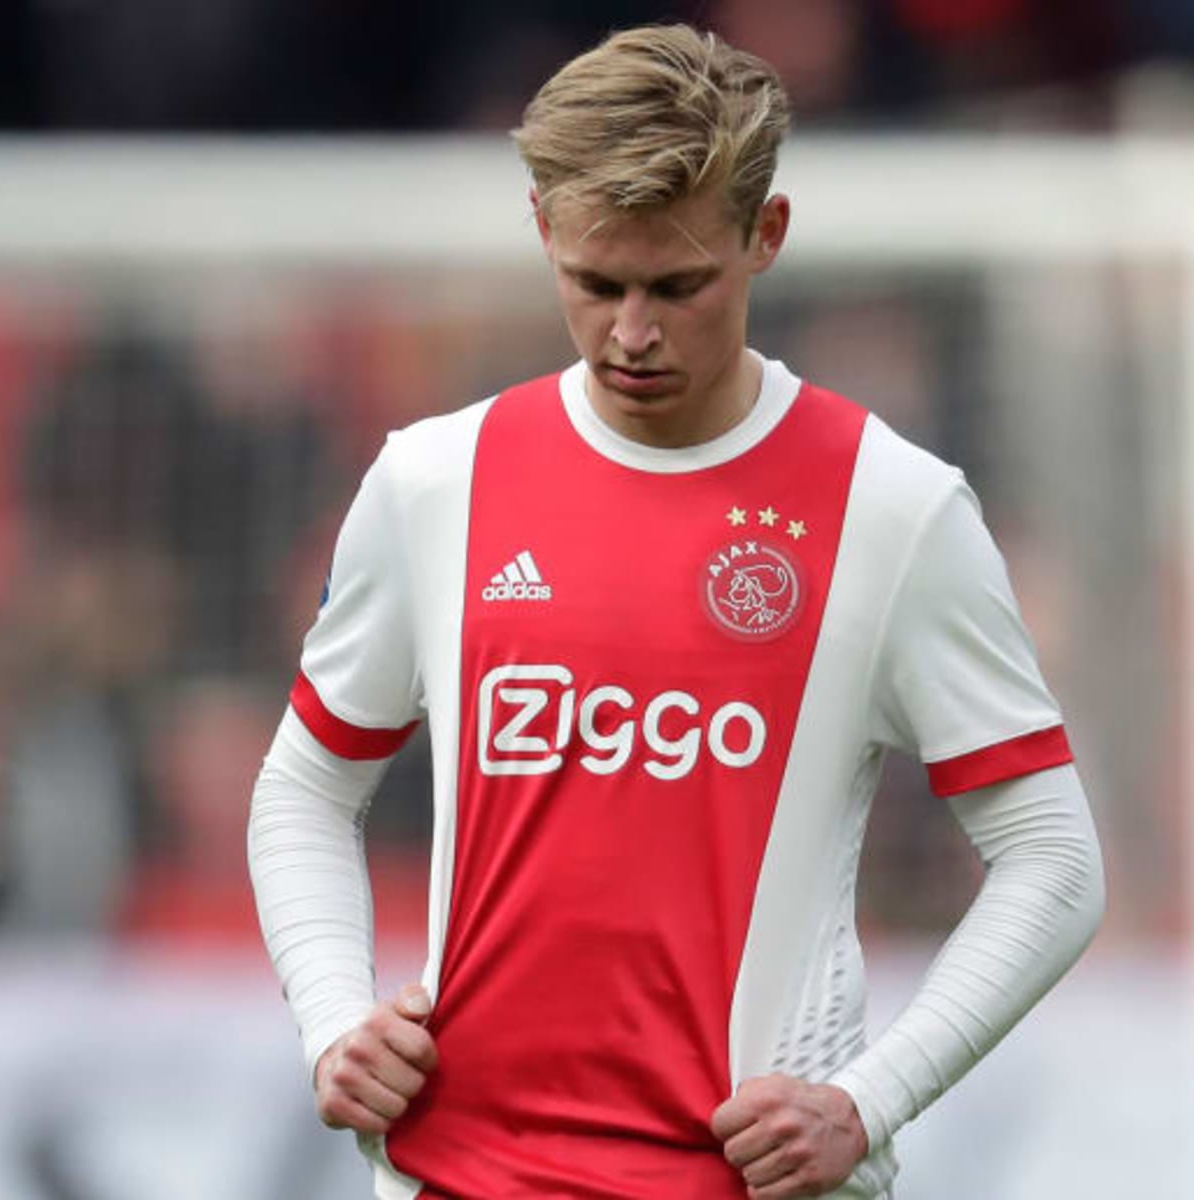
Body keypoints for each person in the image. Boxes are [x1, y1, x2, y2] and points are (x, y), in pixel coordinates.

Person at [248, 24, 1104, 1200]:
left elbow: (1054, 859)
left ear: (767, 234)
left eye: (678, 286)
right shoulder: (436, 483)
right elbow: (305, 787)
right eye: (596, 285)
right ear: (543, 229)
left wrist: (869, 1099)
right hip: (461, 1177)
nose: (632, 333)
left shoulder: (891, 508)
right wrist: (334, 1020)